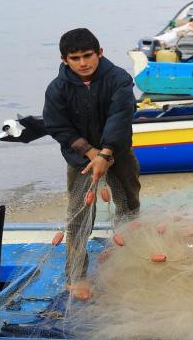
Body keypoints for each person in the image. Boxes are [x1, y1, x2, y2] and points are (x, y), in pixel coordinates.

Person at [43, 28, 141, 301]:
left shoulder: (119, 79)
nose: (83, 63)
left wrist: (106, 153)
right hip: (80, 159)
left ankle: (130, 261)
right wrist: (90, 153)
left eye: (88, 55)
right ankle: (77, 276)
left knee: (129, 206)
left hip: (118, 153)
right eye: (75, 58)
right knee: (78, 216)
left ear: (100, 52)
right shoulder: (57, 88)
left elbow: (120, 117)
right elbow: (57, 126)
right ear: (65, 60)